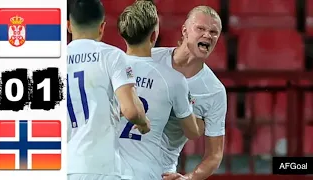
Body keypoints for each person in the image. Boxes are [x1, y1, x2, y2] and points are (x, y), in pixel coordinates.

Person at [116, 1, 204, 180]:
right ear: (154, 35)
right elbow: (192, 132)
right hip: (147, 173)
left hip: (107, 171)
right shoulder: (173, 79)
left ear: (123, 34)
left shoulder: (108, 70)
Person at [66, 0, 151, 179]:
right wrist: (143, 123)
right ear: (102, 27)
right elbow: (131, 110)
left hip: (63, 165)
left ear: (68, 26)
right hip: (100, 167)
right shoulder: (112, 56)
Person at [151, 6, 227, 180]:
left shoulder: (215, 91)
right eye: (201, 28)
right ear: (185, 30)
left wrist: (189, 178)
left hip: (161, 172)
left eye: (214, 32)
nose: (208, 35)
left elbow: (214, 154)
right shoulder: (151, 59)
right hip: (120, 164)